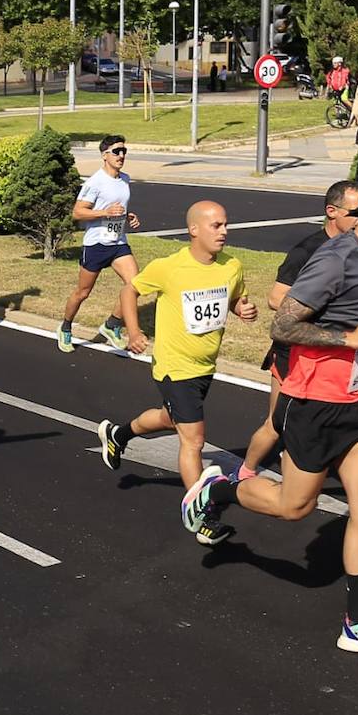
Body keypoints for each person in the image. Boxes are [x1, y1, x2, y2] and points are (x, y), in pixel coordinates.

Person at [179, 183, 358, 654]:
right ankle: (218, 489)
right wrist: (348, 339)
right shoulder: (336, 259)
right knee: (294, 507)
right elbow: (283, 323)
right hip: (315, 402)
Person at [95, 201, 258, 546]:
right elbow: (130, 290)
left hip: (205, 367)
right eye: (216, 225)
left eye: (225, 224)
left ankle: (118, 435)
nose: (224, 231)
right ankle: (202, 515)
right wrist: (135, 332)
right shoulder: (169, 267)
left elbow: (235, 297)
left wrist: (242, 308)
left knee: (171, 420)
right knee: (194, 440)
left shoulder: (232, 266)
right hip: (173, 366)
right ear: (194, 230)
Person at [234, 181, 358, 483]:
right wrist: (325, 317)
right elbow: (276, 299)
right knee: (277, 424)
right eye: (354, 212)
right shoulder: (309, 250)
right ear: (332, 211)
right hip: (292, 354)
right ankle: (243, 472)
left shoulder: (355, 251)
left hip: (332, 361)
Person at [57, 135, 141, 353]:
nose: (121, 156)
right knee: (82, 292)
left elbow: (117, 208)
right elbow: (77, 212)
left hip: (118, 242)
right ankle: (65, 327)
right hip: (96, 245)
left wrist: (128, 216)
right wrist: (105, 212)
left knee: (136, 284)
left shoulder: (125, 178)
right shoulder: (94, 182)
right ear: (105, 155)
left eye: (124, 151)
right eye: (116, 152)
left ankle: (112, 325)